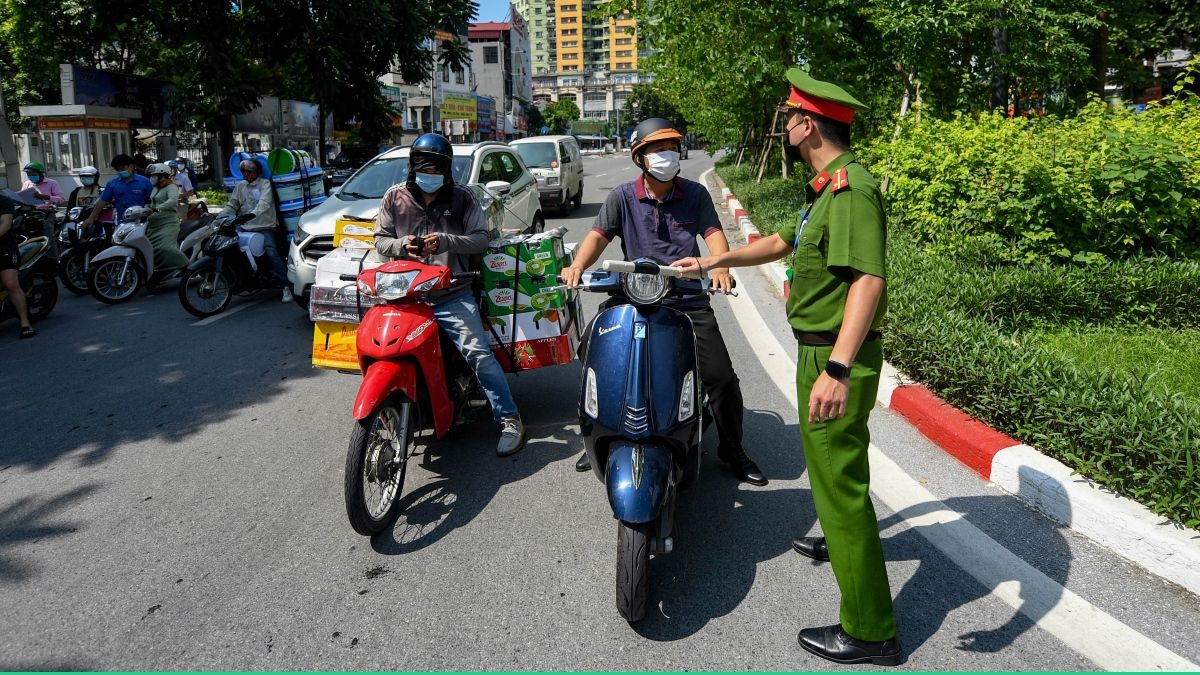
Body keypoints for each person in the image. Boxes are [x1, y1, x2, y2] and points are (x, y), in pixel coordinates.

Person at [671, 69, 900, 666]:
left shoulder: (851, 191)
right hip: (819, 349)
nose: (785, 126)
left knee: (840, 484)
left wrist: (841, 368)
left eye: (790, 117)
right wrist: (713, 259)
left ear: (808, 124)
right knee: (833, 474)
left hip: (833, 355)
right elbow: (779, 244)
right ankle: (838, 535)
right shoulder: (824, 189)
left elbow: (867, 281)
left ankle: (871, 631)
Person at [561, 117, 767, 487]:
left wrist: (718, 268)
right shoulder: (622, 196)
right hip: (632, 296)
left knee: (720, 376)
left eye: (670, 148)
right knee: (591, 350)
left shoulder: (695, 195)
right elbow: (597, 237)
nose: (666, 156)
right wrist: (576, 265)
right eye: (657, 149)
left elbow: (714, 235)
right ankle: (599, 431)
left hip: (685, 298)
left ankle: (732, 446)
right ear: (640, 157)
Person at [373, 133, 527, 457]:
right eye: (423, 168)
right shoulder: (394, 198)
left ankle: (510, 419)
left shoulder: (463, 198)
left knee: (479, 355)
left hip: (451, 293)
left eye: (436, 169)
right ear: (413, 167)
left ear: (446, 169)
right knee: (384, 349)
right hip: (406, 295)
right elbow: (381, 240)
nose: (429, 175)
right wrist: (403, 245)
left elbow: (481, 239)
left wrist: (447, 241)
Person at [224, 158, 292, 302]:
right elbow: (232, 204)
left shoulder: (265, 184)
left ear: (257, 172)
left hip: (265, 226)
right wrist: (222, 216)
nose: (246, 174)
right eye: (244, 171)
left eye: (250, 171)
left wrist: (252, 214)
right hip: (244, 227)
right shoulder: (240, 186)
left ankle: (286, 287)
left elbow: (264, 203)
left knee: (271, 251)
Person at [82, 154, 154, 234]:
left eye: (122, 169)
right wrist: (91, 218)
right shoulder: (112, 184)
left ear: (131, 166)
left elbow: (154, 199)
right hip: (122, 223)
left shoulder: (144, 182)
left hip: (143, 223)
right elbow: (102, 201)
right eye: (118, 170)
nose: (120, 172)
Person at [144, 163, 190, 278]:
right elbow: (151, 202)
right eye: (151, 175)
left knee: (166, 248)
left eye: (154, 175)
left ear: (163, 175)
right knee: (149, 248)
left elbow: (172, 201)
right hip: (154, 224)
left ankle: (186, 266)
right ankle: (160, 270)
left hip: (168, 223)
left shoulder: (172, 187)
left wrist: (156, 209)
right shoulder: (155, 188)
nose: (152, 178)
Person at [0, 193, 35, 338]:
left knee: (10, 284)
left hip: (5, 249)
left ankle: (25, 323)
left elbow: (6, 223)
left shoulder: (3, 200)